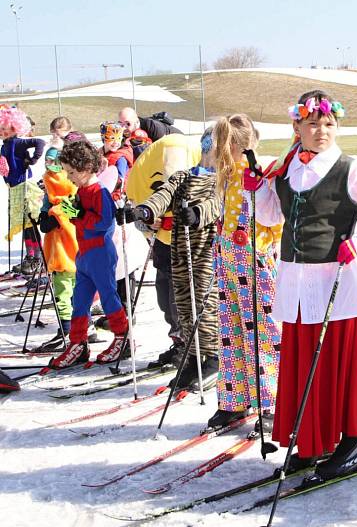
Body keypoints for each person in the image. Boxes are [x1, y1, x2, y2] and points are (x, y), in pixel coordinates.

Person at [251, 90, 357, 481]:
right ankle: (312, 441)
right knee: (303, 365)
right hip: (296, 286)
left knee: (341, 365)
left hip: (336, 284)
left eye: (329, 124)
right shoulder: (286, 169)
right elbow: (269, 215)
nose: (322, 131)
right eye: (313, 124)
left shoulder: (350, 169)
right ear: (296, 127)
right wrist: (260, 186)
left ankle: (353, 441)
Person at [204, 114, 283, 431]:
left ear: (235, 146)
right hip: (228, 260)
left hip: (255, 261)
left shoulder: (259, 172)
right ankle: (234, 401)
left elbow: (275, 218)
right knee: (230, 332)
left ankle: (272, 401)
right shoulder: (225, 175)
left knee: (262, 333)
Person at [132, 126, 220, 391]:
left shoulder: (222, 179)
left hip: (204, 250)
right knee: (183, 304)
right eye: (208, 143)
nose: (210, 150)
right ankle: (193, 357)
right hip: (179, 249)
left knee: (203, 303)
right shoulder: (185, 175)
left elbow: (218, 203)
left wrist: (196, 213)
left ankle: (213, 358)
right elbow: (164, 193)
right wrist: (146, 210)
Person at [47, 140, 130, 368]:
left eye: (72, 172)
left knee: (108, 296)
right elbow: (77, 216)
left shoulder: (99, 191)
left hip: (100, 253)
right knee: (79, 301)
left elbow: (104, 221)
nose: (69, 177)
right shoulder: (82, 190)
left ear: (85, 168)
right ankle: (78, 343)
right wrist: (64, 213)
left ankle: (123, 337)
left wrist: (80, 215)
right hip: (83, 254)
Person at [33, 146, 82, 352]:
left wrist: (59, 213)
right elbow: (45, 212)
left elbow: (78, 211)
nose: (50, 166)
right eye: (47, 161)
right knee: (64, 288)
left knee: (75, 288)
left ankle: (73, 328)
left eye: (55, 162)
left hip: (75, 243)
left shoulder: (73, 187)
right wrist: (46, 217)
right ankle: (69, 327)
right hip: (60, 246)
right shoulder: (50, 189)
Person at [1, 106, 45, 276]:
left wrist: (33, 160)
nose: (2, 132)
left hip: (26, 187)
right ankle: (30, 256)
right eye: (1, 129)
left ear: (14, 128)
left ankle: (38, 258)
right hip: (15, 188)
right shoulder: (4, 146)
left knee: (31, 224)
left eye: (5, 129)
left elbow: (40, 142)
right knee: (24, 224)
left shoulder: (18, 143)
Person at [118, 107, 182, 159]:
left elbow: (164, 149)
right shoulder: (127, 130)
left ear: (136, 121)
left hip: (178, 142)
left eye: (128, 123)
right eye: (120, 123)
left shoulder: (152, 127)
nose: (124, 127)